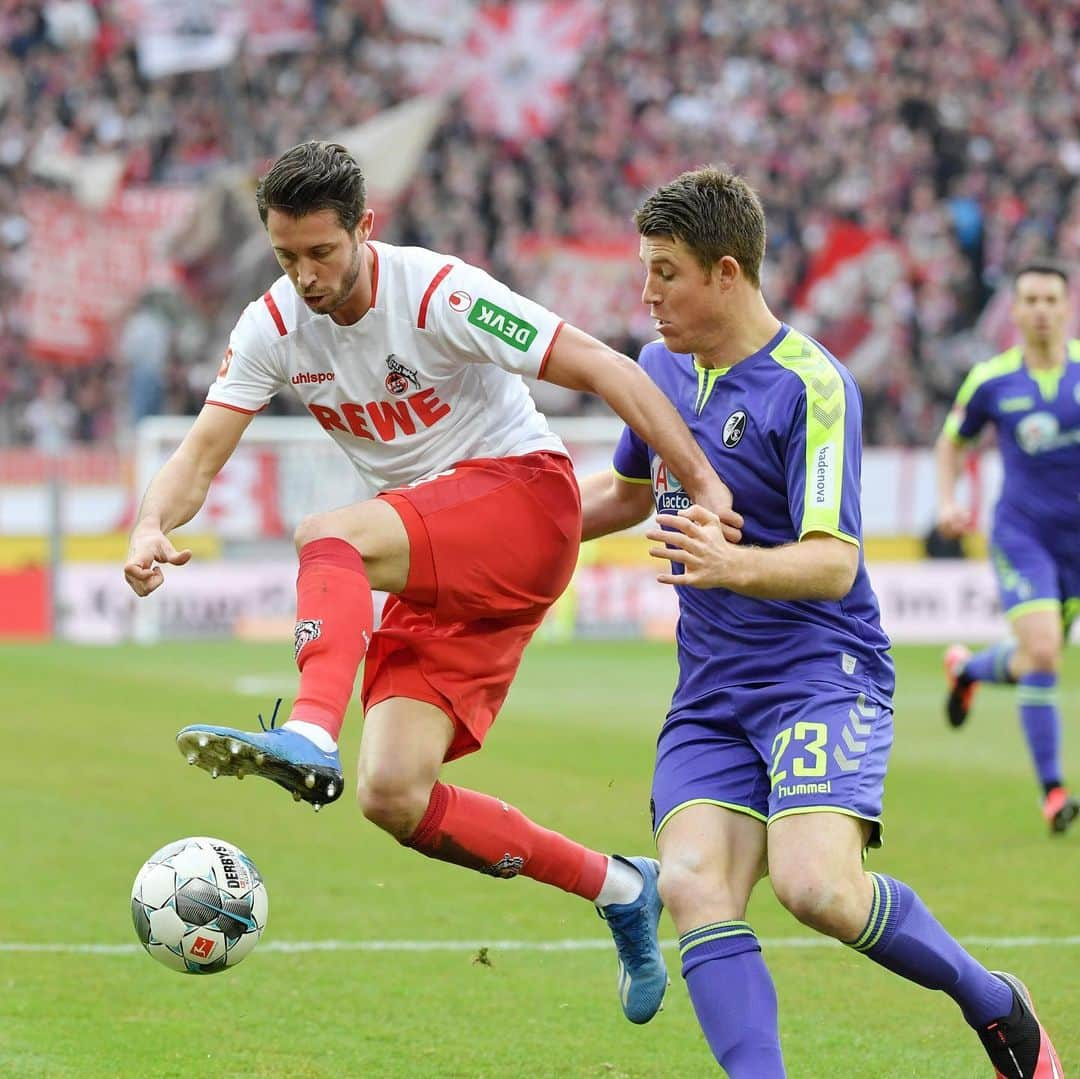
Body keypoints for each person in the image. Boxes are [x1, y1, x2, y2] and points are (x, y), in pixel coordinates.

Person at [123, 141, 743, 1024]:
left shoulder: (439, 291)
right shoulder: (270, 327)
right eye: (286, 256)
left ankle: (308, 727)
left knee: (327, 535)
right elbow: (198, 455)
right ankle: (617, 887)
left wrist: (707, 484)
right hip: (445, 557)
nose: (304, 275)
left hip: (524, 499)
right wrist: (152, 523)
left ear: (365, 230)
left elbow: (610, 368)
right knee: (392, 794)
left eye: (321, 253)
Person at [580, 167, 1063, 1077]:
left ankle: (993, 1001)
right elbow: (624, 492)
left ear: (728, 272)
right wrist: (492, 541)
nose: (646, 294)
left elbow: (835, 560)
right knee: (692, 885)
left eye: (665, 272)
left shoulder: (813, 384)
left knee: (817, 888)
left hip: (819, 673)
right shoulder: (654, 369)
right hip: (710, 693)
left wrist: (732, 565)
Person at [936, 260, 1079, 836]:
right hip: (1024, 534)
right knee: (1044, 652)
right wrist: (948, 501)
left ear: (1066, 308)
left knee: (1032, 659)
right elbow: (952, 443)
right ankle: (1054, 792)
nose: (1042, 310)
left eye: (1051, 300)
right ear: (1015, 311)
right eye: (1031, 300)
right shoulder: (992, 380)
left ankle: (968, 669)